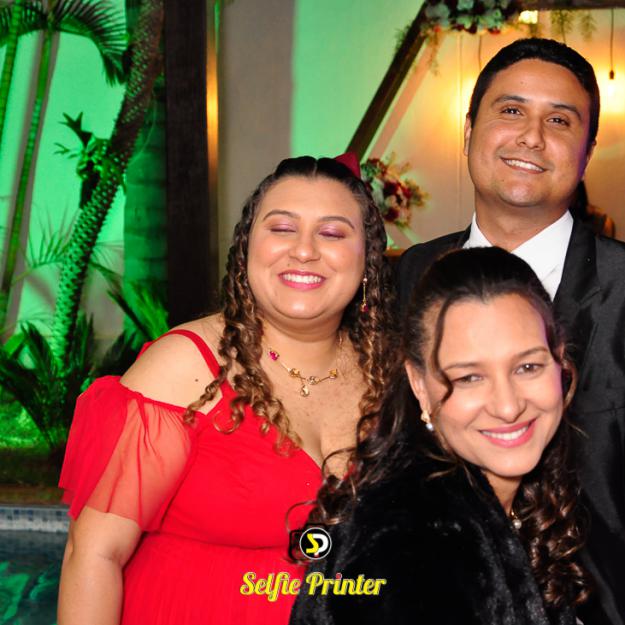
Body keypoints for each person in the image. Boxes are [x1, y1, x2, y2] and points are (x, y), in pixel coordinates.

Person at [56, 155, 393, 625]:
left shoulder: (392, 376)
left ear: (367, 259)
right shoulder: (186, 367)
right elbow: (94, 554)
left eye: (333, 234)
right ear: (247, 246)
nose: (304, 250)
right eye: (282, 228)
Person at [396, 38, 625, 625]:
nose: (532, 137)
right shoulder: (409, 275)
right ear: (470, 129)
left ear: (586, 152)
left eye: (560, 120)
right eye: (512, 110)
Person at [291, 247, 589, 625]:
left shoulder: (495, 497)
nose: (508, 406)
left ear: (559, 360)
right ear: (419, 385)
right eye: (469, 377)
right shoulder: (410, 546)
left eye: (528, 367)